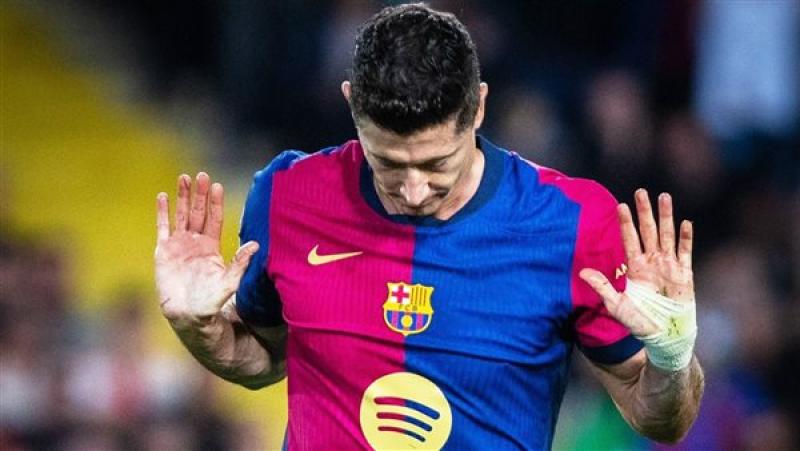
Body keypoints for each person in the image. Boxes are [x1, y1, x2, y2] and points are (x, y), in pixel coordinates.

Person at [154, 4, 704, 449]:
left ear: (478, 108)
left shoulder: (571, 223)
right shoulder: (288, 196)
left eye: (437, 164)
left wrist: (671, 356)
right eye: (389, 163)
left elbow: (659, 420)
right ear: (352, 105)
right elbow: (263, 360)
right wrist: (199, 329)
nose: (413, 191)